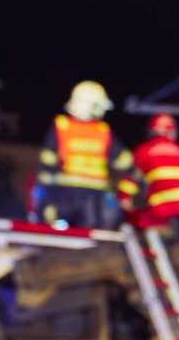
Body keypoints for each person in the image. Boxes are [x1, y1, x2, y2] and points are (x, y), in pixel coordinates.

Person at [34, 81, 138, 230]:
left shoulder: (61, 126)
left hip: (64, 196)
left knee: (59, 235)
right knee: (94, 238)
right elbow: (125, 163)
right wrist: (137, 184)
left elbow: (46, 165)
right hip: (94, 199)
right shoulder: (102, 131)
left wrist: (45, 198)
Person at [131, 114, 179, 233]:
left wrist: (124, 198)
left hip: (159, 209)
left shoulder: (144, 150)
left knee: (135, 218)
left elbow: (131, 178)